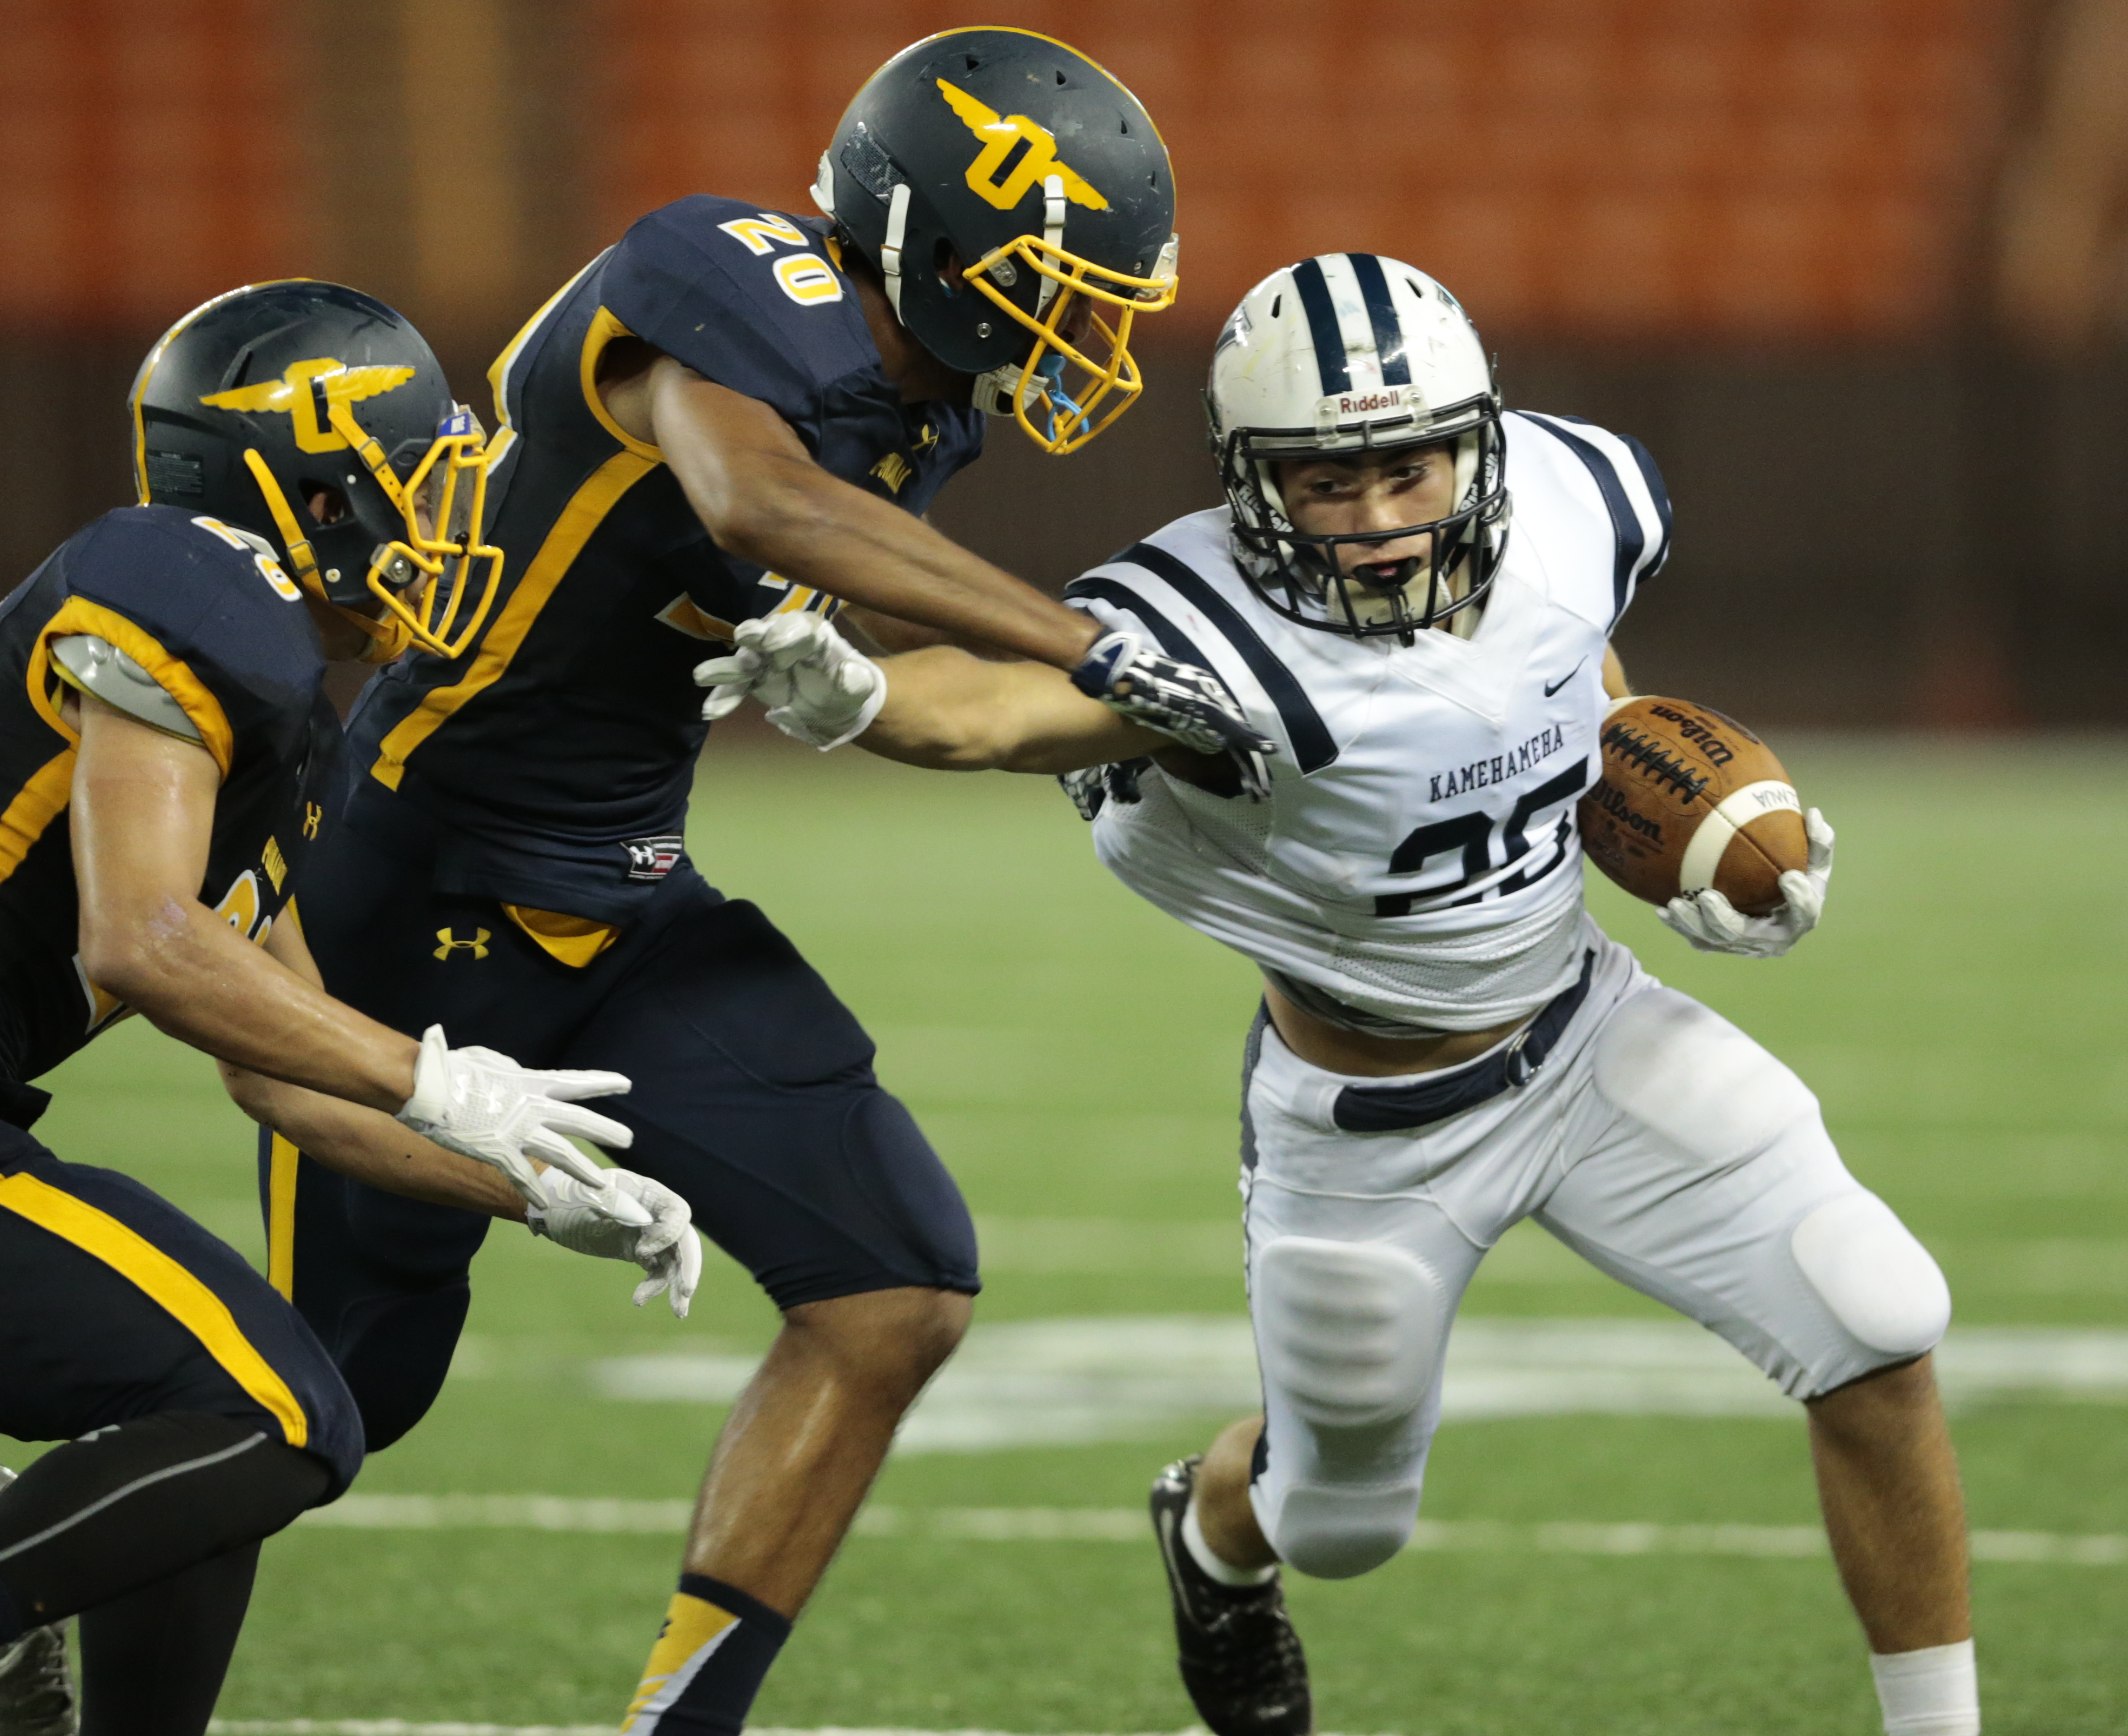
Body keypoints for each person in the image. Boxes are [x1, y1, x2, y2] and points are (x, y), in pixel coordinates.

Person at [693, 254, 1978, 1736]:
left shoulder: (1577, 494)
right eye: (1326, 485)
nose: (1376, 523)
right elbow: (1010, 703)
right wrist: (868, 697)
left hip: (1593, 1032)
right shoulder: (1208, 625)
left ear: (1478, 448)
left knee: (1879, 1317)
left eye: (1409, 469)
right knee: (1339, 1516)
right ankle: (1212, 1534)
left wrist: (1654, 792)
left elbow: (1570, 662)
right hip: (1370, 1130)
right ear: (1254, 489)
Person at [265, 28, 1269, 1736]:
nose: (1081, 335)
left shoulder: (920, 403)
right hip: (423, 895)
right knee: (319, 1407)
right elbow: (761, 498)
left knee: (896, 1283)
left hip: (626, 894)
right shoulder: (722, 275)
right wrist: (1079, 634)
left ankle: (684, 1721)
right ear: (921, 245)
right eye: (1053, 288)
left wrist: (1137, 711)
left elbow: (907, 665)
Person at [0, 281, 696, 1736]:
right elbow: (142, 939)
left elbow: (286, 1071)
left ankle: (1, 1619)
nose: (440, 521)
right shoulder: (185, 574)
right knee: (277, 1405)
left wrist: (531, 1180)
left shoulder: (281, 724)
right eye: (416, 475)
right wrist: (441, 1079)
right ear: (305, 481)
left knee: (198, 1421)